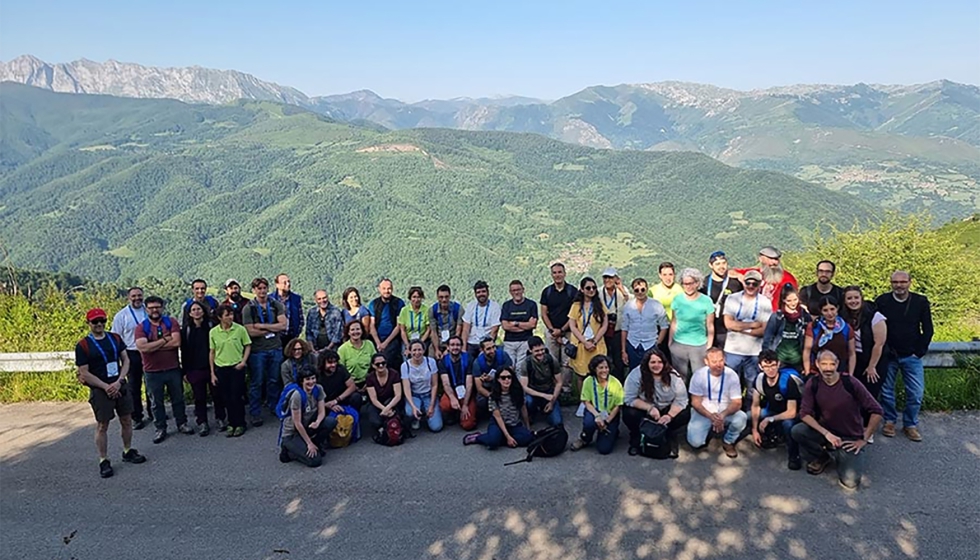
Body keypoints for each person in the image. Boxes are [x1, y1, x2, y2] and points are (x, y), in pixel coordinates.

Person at [792, 351, 883, 489]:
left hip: (850, 437)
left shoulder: (850, 382)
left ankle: (842, 455)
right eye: (824, 364)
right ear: (817, 364)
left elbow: (877, 410)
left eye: (832, 364)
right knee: (797, 431)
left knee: (850, 482)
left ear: (837, 364)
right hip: (827, 432)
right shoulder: (813, 383)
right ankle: (822, 456)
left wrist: (864, 438)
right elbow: (805, 414)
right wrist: (826, 433)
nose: (828, 368)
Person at [76, 308, 146, 478]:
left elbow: (126, 360)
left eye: (102, 321)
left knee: (126, 420)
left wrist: (119, 381)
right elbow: (84, 372)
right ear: (88, 323)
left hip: (119, 384)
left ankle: (127, 450)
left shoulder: (115, 338)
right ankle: (103, 460)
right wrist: (105, 386)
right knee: (102, 425)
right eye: (95, 321)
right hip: (100, 389)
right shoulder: (83, 345)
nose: (99, 324)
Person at [874, 271, 933, 442]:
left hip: (911, 355)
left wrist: (919, 351)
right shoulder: (882, 301)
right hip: (889, 355)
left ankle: (910, 424)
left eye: (902, 282)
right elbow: (875, 324)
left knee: (916, 393)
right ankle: (889, 421)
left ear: (909, 282)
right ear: (890, 283)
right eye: (895, 282)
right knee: (886, 391)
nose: (899, 285)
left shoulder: (920, 301)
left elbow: (928, 328)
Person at [135, 295, 193, 444]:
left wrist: (153, 345)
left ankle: (182, 423)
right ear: (146, 309)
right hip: (152, 371)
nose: (155, 310)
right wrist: (165, 339)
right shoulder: (141, 327)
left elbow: (176, 342)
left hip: (172, 368)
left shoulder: (171, 322)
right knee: (156, 403)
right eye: (151, 308)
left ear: (162, 308)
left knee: (178, 399)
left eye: (157, 307)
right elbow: (143, 348)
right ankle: (160, 428)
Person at [622, 348, 690, 458]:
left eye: (659, 362)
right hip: (646, 409)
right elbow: (629, 398)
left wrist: (669, 416)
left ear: (664, 363)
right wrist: (650, 408)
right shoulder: (636, 374)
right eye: (653, 362)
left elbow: (682, 400)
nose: (656, 365)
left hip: (667, 409)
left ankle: (669, 435)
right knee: (629, 413)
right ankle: (636, 438)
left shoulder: (673, 376)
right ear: (647, 363)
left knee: (685, 413)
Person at [242, 278, 288, 427]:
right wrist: (272, 328)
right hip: (257, 351)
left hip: (275, 348)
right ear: (254, 290)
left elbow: (283, 325)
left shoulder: (276, 305)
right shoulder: (248, 308)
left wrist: (261, 326)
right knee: (257, 382)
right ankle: (255, 413)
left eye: (264, 288)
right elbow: (249, 331)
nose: (262, 291)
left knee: (274, 380)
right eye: (259, 288)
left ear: (268, 289)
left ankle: (274, 407)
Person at [687, 348, 747, 458]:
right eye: (714, 362)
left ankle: (728, 441)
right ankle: (706, 429)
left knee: (741, 418)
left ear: (725, 359)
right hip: (704, 411)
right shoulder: (699, 375)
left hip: (725, 410)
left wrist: (722, 415)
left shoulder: (732, 375)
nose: (718, 365)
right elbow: (695, 402)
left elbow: (737, 402)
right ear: (706, 361)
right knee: (695, 442)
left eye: (721, 360)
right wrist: (711, 416)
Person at [750, 350, 803, 470]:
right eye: (766, 366)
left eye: (773, 365)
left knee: (788, 425)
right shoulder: (759, 380)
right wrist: (754, 429)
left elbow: (791, 412)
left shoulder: (788, 381)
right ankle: (769, 436)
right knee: (749, 416)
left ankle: (794, 456)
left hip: (792, 413)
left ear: (778, 364)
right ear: (760, 367)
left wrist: (770, 419)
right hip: (773, 409)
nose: (770, 369)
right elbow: (755, 405)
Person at [722, 270, 773, 392]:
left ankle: (751, 405)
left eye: (754, 284)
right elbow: (728, 324)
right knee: (730, 386)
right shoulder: (732, 298)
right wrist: (753, 325)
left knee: (753, 387)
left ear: (760, 284)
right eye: (747, 283)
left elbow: (764, 330)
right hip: (732, 350)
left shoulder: (765, 302)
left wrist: (739, 328)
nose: (750, 286)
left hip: (754, 352)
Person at [110, 287, 152, 430]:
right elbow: (116, 337)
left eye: (139, 295)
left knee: (151, 384)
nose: (137, 298)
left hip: (149, 351)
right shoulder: (121, 316)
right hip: (131, 353)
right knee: (134, 387)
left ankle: (153, 412)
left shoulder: (149, 311)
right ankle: (137, 417)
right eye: (133, 296)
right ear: (128, 298)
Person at [278, 366, 337, 468]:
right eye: (307, 379)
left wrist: (317, 422)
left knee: (331, 422)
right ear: (302, 381)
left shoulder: (318, 389)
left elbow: (322, 412)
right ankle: (289, 451)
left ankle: (315, 445)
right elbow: (297, 423)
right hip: (293, 433)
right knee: (315, 461)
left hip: (307, 425)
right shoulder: (297, 395)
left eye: (313, 378)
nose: (311, 382)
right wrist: (309, 443)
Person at [463, 367, 532, 449]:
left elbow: (523, 409)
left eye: (509, 377)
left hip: (514, 424)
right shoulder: (493, 395)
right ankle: (478, 437)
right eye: (503, 378)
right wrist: (508, 437)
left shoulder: (518, 392)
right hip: (498, 424)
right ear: (498, 379)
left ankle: (500, 439)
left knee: (528, 438)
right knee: (493, 441)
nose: (506, 380)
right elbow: (498, 417)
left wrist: (528, 427)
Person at [209, 304, 251, 438]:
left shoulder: (240, 329)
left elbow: (247, 345)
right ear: (220, 317)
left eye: (231, 314)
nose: (230, 317)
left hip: (236, 367)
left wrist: (243, 361)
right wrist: (212, 373)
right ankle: (231, 423)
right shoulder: (213, 332)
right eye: (227, 315)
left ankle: (240, 423)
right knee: (226, 398)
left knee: (236, 396)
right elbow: (212, 352)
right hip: (221, 368)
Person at [842, 286, 887, 405]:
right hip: (854, 358)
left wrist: (871, 366)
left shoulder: (875, 316)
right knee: (853, 394)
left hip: (874, 359)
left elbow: (879, 344)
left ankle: (872, 416)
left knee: (870, 395)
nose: (853, 301)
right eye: (849, 298)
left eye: (856, 297)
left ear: (861, 298)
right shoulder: (843, 317)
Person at [181, 300, 221, 436]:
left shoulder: (212, 326)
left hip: (213, 366)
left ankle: (220, 418)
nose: (196, 312)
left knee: (217, 395)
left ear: (203, 311)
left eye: (199, 309)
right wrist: (185, 371)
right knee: (199, 397)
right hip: (195, 368)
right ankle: (202, 422)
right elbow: (184, 352)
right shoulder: (186, 331)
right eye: (193, 310)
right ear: (189, 314)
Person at [570, 356, 623, 455]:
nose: (604, 370)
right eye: (601, 368)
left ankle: (612, 432)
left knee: (604, 449)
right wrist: (597, 416)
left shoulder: (615, 383)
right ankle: (585, 439)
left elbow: (618, 406)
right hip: (594, 411)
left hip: (610, 415)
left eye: (606, 367)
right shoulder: (588, 381)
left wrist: (606, 421)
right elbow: (586, 402)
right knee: (589, 423)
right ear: (594, 369)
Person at [669, 268, 715, 381]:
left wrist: (709, 346)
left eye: (691, 283)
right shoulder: (677, 299)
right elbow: (674, 321)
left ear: (697, 283)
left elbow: (710, 325)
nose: (688, 286)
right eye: (685, 284)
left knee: (700, 377)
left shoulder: (706, 301)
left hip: (699, 345)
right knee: (679, 378)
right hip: (679, 344)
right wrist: (670, 342)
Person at [540, 262, 578, 391]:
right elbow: (544, 313)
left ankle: (566, 389)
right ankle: (553, 388)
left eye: (560, 272)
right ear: (551, 275)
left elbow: (574, 314)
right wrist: (552, 330)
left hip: (569, 331)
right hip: (551, 332)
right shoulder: (547, 292)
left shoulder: (572, 291)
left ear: (565, 273)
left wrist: (561, 330)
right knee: (552, 361)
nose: (557, 275)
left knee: (567, 362)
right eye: (555, 273)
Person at [567, 277, 608, 393]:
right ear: (582, 290)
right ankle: (583, 399)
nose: (591, 290)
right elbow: (572, 326)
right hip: (581, 345)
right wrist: (585, 342)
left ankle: (599, 398)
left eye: (594, 287)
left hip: (597, 344)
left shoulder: (600, 305)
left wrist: (594, 341)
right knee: (581, 376)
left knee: (599, 374)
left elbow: (604, 325)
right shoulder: (576, 306)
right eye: (588, 288)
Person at [620, 278, 669, 373]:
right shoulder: (628, 306)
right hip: (633, 344)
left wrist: (657, 343)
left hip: (650, 344)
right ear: (633, 291)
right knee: (634, 372)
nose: (640, 292)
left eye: (642, 289)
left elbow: (664, 326)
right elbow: (624, 328)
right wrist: (623, 350)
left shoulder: (656, 305)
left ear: (647, 289)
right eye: (637, 290)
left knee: (651, 372)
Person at [802, 296, 856, 378]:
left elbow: (852, 353)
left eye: (832, 309)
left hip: (840, 372)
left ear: (837, 308)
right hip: (817, 372)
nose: (830, 313)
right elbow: (807, 350)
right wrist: (807, 372)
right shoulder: (814, 327)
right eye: (825, 310)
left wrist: (850, 375)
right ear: (821, 311)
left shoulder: (846, 328)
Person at [762, 286, 811, 373]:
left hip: (798, 361)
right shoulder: (777, 317)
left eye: (795, 300)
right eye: (789, 300)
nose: (793, 303)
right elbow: (768, 338)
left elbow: (809, 338)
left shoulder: (804, 316)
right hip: (779, 359)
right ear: (783, 300)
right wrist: (767, 358)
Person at [701, 251, 742, 349]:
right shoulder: (704, 284)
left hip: (729, 331)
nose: (721, 266)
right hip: (708, 330)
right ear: (710, 265)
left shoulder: (735, 283)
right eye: (717, 264)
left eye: (724, 263)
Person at [400, 340, 442, 432]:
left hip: (428, 394)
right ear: (410, 351)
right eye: (414, 350)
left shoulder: (431, 362)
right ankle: (416, 416)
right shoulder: (405, 366)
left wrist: (431, 405)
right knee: (410, 412)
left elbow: (434, 385)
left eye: (419, 350)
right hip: (415, 395)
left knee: (436, 427)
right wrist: (413, 406)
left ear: (423, 350)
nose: (417, 353)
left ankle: (427, 411)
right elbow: (406, 388)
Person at [520, 336, 563, 427]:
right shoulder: (526, 363)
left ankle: (547, 409)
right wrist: (543, 395)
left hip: (549, 392)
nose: (540, 353)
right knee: (528, 401)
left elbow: (559, 382)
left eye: (542, 350)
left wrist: (552, 401)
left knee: (557, 422)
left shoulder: (552, 360)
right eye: (537, 351)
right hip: (533, 393)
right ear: (530, 351)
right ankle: (532, 413)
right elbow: (524, 387)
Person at [438, 336, 477, 430]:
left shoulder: (468, 359)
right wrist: (452, 398)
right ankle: (453, 413)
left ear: (462, 346)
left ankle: (468, 410)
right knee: (445, 405)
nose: (455, 347)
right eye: (452, 345)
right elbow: (446, 383)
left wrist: (465, 404)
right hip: (453, 390)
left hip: (466, 392)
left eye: (458, 345)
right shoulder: (443, 361)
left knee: (468, 425)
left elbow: (469, 384)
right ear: (448, 347)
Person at [500, 280, 538, 374]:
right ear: (510, 292)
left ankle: (521, 384)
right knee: (509, 367)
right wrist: (525, 325)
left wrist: (515, 323)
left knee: (521, 368)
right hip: (509, 342)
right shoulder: (506, 305)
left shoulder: (531, 305)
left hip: (525, 341)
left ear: (523, 290)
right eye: (514, 290)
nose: (516, 292)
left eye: (518, 289)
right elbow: (505, 326)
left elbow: (532, 325)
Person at [368, 278, 406, 371]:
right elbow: (372, 325)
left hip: (393, 338)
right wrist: (378, 343)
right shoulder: (373, 304)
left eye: (389, 288)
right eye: (384, 288)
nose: (386, 291)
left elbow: (398, 326)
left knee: (389, 358)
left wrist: (385, 343)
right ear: (379, 289)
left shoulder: (398, 303)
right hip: (377, 339)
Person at [599, 267, 630, 380]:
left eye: (610, 277)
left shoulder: (622, 291)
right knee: (604, 358)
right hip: (603, 332)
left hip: (618, 331)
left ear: (616, 278)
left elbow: (631, 304)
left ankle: (619, 382)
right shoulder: (598, 292)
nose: (608, 280)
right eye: (605, 277)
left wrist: (621, 288)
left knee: (618, 360)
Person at [366, 352, 406, 438]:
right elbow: (373, 399)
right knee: (375, 421)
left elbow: (398, 395)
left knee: (395, 416)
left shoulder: (394, 374)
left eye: (383, 363)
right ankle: (382, 430)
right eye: (377, 364)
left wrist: (388, 408)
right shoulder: (370, 377)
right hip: (377, 404)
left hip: (392, 402)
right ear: (373, 365)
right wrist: (384, 409)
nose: (381, 366)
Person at [472, 337, 514, 415]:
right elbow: (479, 388)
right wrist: (493, 396)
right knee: (481, 401)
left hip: (504, 384)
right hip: (489, 388)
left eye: (493, 347)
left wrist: (494, 378)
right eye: (488, 349)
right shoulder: (477, 363)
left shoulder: (503, 355)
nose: (492, 351)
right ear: (482, 350)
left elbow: (511, 373)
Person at [461, 280, 502, 357]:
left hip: (486, 342)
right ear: (475, 294)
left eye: (483, 291)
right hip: (471, 343)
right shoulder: (471, 306)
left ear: (488, 293)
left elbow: (494, 330)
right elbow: (465, 329)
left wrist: (488, 347)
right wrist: (463, 348)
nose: (481, 294)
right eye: (478, 292)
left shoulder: (495, 307)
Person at [337, 321, 377, 387]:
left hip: (369, 382)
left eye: (358, 329)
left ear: (362, 331)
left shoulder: (369, 344)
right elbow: (341, 371)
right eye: (352, 330)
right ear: (348, 332)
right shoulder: (342, 349)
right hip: (350, 385)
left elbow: (375, 363)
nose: (355, 332)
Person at [270, 273, 304, 349]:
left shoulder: (296, 299)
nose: (288, 284)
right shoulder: (270, 299)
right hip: (275, 338)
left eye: (288, 281)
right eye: (284, 282)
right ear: (277, 284)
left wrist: (296, 334)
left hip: (291, 337)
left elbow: (300, 319)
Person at [428, 284, 463, 359]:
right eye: (441, 297)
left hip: (454, 341)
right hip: (438, 341)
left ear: (450, 296)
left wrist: (449, 348)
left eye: (446, 297)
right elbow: (433, 331)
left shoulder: (458, 309)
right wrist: (437, 349)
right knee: (431, 357)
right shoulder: (432, 310)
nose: (444, 300)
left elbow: (458, 330)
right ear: (437, 297)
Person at [398, 286, 431, 355]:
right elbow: (403, 330)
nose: (416, 299)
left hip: (423, 340)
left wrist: (420, 343)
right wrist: (407, 345)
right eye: (414, 297)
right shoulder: (404, 310)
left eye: (418, 297)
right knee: (406, 355)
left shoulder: (426, 310)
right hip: (408, 340)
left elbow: (428, 329)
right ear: (410, 298)